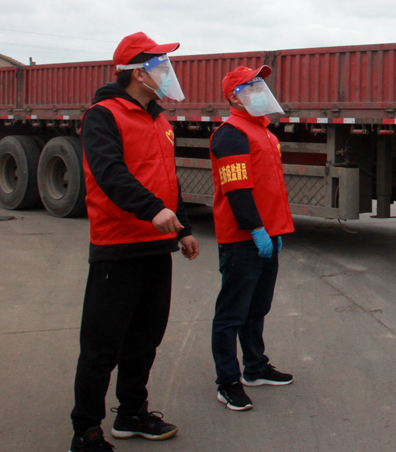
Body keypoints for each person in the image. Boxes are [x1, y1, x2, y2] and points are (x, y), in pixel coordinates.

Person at [69, 32, 200, 452]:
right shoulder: (102, 115)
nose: (168, 72)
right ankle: (86, 431)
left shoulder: (159, 119)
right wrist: (151, 209)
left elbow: (166, 179)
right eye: (160, 64)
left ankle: (131, 413)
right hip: (118, 246)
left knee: (144, 340)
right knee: (101, 346)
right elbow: (110, 173)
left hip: (156, 246)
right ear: (139, 74)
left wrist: (182, 228)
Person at [210, 65, 295, 411]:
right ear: (234, 98)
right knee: (232, 312)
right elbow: (238, 191)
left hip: (268, 235)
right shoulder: (231, 134)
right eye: (251, 86)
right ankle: (227, 381)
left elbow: (270, 187)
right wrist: (257, 229)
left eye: (260, 85)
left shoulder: (264, 132)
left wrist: (275, 231)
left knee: (257, 307)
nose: (260, 91)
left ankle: (256, 368)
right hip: (243, 238)